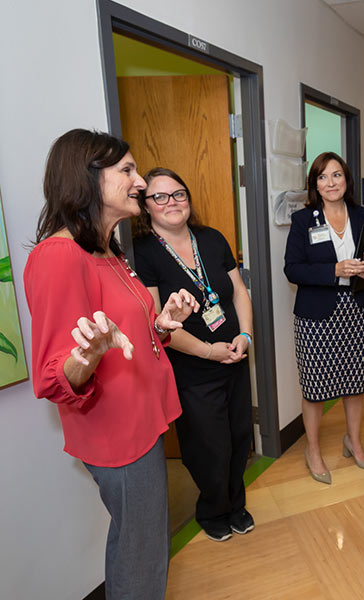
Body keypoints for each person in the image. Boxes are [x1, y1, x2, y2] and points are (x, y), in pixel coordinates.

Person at [24, 129, 199, 599]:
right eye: (126, 171)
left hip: (141, 419)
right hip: (116, 432)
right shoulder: (59, 256)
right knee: (143, 554)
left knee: (136, 543)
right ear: (86, 179)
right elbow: (53, 374)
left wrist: (162, 324)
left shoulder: (108, 250)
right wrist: (88, 355)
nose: (140, 182)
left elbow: (123, 336)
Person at [133, 167, 255, 543]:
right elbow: (157, 320)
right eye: (160, 197)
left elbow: (238, 292)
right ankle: (212, 508)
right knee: (208, 446)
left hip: (233, 356)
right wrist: (207, 351)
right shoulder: (143, 252)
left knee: (238, 437)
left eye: (179, 194)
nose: (172, 203)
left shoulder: (212, 238)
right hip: (191, 368)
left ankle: (235, 504)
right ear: (145, 206)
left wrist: (245, 336)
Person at [284, 151, 364, 485]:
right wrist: (334, 269)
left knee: (355, 383)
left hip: (357, 309)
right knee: (315, 386)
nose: (330, 183)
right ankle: (313, 450)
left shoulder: (362, 215)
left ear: (346, 180)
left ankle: (354, 442)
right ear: (314, 183)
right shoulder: (304, 220)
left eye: (337, 175)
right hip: (317, 315)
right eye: (322, 177)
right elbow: (293, 268)